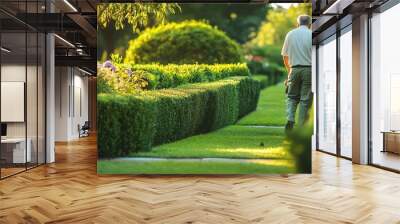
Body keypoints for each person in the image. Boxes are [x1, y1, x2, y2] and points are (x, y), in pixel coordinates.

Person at [281, 15, 312, 132]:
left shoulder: (290, 34)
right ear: (309, 24)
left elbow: (285, 57)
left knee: (291, 97)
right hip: (309, 69)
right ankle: (301, 126)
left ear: (297, 23)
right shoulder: (311, 34)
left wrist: (289, 73)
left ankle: (290, 119)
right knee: (305, 99)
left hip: (294, 69)